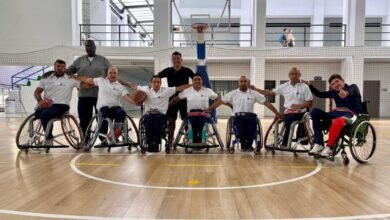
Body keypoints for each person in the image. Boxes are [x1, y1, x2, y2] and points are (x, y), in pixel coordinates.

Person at [206, 76, 282, 151]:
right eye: (241, 81)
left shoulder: (254, 93)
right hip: (237, 117)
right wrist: (210, 108)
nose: (243, 83)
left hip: (250, 117)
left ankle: (248, 145)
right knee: (241, 128)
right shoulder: (233, 93)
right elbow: (220, 101)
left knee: (252, 126)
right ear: (238, 83)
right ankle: (244, 144)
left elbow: (266, 103)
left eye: (245, 81)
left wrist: (277, 112)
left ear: (248, 83)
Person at [120, 75, 191, 151]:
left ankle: (156, 141)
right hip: (148, 115)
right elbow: (133, 86)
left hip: (161, 115)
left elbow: (180, 88)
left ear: (160, 83)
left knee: (157, 118)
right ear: (151, 83)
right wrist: (123, 82)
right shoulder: (145, 89)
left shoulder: (166, 90)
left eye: (158, 82)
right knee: (150, 118)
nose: (156, 84)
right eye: (154, 82)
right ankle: (150, 141)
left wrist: (193, 85)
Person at [251, 67, 313, 148]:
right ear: (289, 75)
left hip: (301, 113)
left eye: (296, 74)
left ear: (299, 75)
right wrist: (256, 89)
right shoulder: (284, 86)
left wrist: (299, 106)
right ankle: (281, 141)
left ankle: (285, 143)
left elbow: (310, 103)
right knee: (282, 119)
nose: (294, 76)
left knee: (289, 120)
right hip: (288, 112)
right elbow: (270, 93)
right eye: (292, 74)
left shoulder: (305, 87)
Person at [303, 74, 363, 157]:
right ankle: (319, 143)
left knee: (338, 121)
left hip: (350, 114)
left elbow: (352, 90)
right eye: (332, 84)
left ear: (343, 81)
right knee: (315, 112)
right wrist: (309, 85)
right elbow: (320, 94)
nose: (335, 84)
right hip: (336, 113)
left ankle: (329, 147)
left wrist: (346, 92)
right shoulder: (333, 92)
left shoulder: (353, 87)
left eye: (337, 81)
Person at [71, 66, 134, 144]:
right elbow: (87, 80)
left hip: (116, 108)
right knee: (105, 115)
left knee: (121, 112)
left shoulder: (121, 87)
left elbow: (128, 98)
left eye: (114, 73)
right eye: (110, 73)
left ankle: (115, 133)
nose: (112, 74)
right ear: (107, 74)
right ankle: (109, 136)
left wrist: (137, 102)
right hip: (104, 108)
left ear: (118, 74)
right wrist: (73, 76)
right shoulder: (101, 81)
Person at [34, 59, 90, 145]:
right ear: (54, 67)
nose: (60, 68)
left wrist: (97, 82)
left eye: (62, 67)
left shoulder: (71, 79)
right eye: (58, 66)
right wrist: (40, 101)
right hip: (47, 104)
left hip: (62, 105)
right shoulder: (46, 77)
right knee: (37, 113)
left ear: (65, 68)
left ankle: (49, 138)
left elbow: (86, 85)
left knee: (45, 114)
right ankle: (32, 137)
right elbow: (37, 92)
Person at [66, 40, 111, 136]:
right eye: (87, 46)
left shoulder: (103, 60)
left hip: (101, 95)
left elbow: (111, 73)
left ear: (95, 47)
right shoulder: (79, 60)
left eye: (91, 46)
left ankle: (103, 139)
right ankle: (85, 139)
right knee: (84, 119)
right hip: (84, 95)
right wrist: (57, 71)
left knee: (103, 118)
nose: (89, 48)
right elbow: (69, 71)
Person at [169, 73, 220, 143]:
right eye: (195, 80)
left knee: (203, 125)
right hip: (191, 115)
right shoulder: (187, 91)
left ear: (202, 81)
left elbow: (219, 100)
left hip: (204, 115)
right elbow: (176, 99)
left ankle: (202, 140)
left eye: (199, 79)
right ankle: (192, 140)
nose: (197, 81)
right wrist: (167, 105)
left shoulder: (208, 91)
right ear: (192, 82)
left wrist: (211, 108)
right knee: (191, 127)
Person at [158, 51, 194, 143]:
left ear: (181, 60)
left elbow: (196, 80)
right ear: (172, 60)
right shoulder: (168, 71)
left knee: (186, 120)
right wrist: (160, 88)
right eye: (174, 58)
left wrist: (190, 88)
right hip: (172, 98)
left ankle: (188, 138)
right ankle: (170, 139)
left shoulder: (187, 70)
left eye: (178, 58)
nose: (176, 60)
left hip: (184, 98)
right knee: (171, 120)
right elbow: (157, 77)